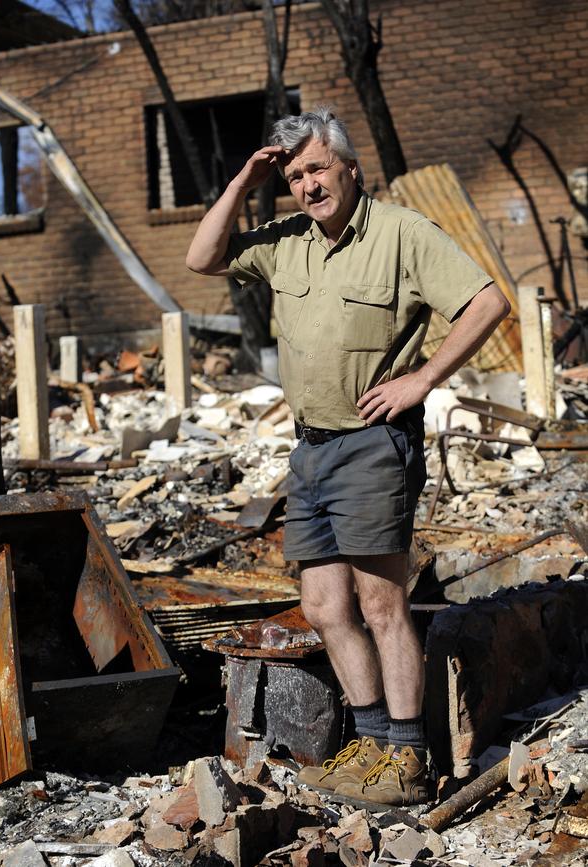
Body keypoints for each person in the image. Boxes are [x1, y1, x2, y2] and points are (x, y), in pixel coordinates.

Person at [186, 107, 510, 807]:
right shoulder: (286, 243)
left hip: (372, 444)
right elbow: (201, 257)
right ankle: (370, 748)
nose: (307, 184)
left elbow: (488, 302)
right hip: (310, 451)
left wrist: (423, 379)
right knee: (326, 605)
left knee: (381, 600)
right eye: (295, 174)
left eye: (318, 168)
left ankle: (409, 756)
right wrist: (245, 180)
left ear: (350, 168)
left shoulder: (401, 232)